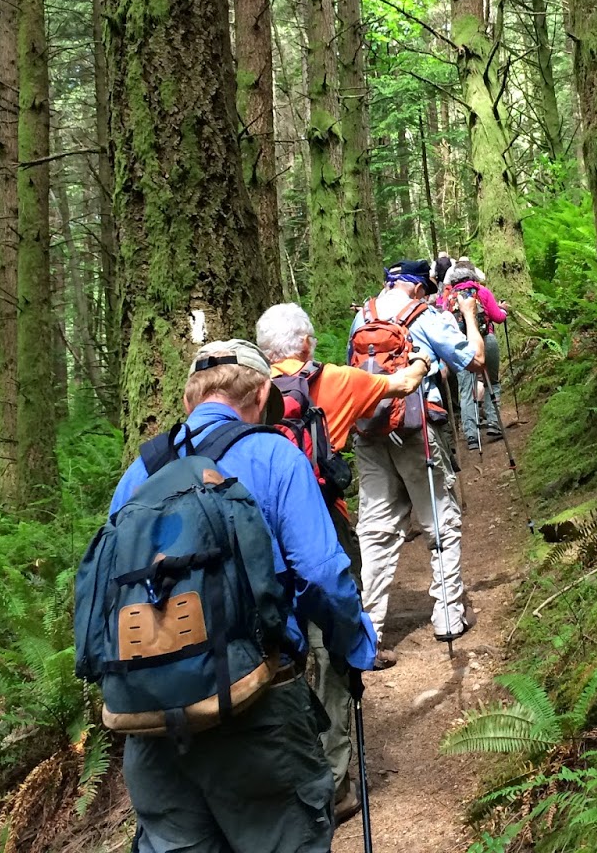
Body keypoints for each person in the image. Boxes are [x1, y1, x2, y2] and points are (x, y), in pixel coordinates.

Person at [108, 340, 377, 853]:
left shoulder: (138, 475)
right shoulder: (275, 454)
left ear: (190, 402)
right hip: (257, 711)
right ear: (259, 394)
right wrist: (354, 647)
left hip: (153, 727)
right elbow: (321, 574)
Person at [255, 302, 432, 821]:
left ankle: (286, 777)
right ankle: (334, 784)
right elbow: (400, 387)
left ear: (266, 352)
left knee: (284, 657)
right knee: (330, 652)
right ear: (307, 343)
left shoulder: (252, 395)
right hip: (321, 523)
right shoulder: (334, 381)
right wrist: (421, 363)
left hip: (261, 537)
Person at [350, 259, 484, 646]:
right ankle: (448, 615)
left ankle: (369, 630)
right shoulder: (424, 315)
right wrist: (469, 317)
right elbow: (474, 361)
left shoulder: (362, 317)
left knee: (375, 529)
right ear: (418, 288)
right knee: (440, 518)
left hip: (369, 431)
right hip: (415, 427)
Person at [439, 258, 509, 451]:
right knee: (491, 382)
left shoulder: (449, 299)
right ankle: (494, 424)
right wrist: (504, 311)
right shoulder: (482, 292)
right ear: (473, 275)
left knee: (466, 389)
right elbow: (497, 317)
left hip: (460, 347)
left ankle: (471, 435)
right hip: (487, 340)